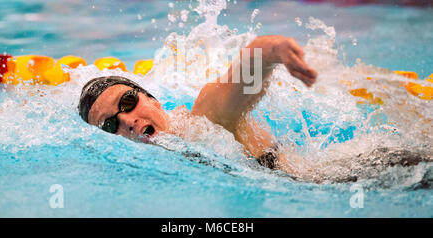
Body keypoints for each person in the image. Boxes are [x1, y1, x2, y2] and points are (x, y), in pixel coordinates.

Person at [78, 35, 317, 174]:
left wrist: (273, 50)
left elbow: (244, 80)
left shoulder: (204, 121)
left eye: (127, 102)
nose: (128, 122)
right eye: (110, 125)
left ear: (153, 99)